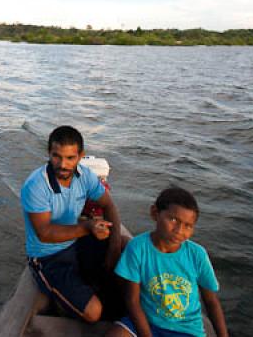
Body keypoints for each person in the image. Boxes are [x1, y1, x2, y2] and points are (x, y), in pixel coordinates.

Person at [21, 125, 124, 323]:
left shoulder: (85, 176)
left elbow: (109, 205)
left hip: (76, 243)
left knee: (126, 244)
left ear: (80, 156)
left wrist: (114, 247)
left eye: (70, 158)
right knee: (94, 312)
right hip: (47, 257)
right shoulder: (36, 185)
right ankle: (62, 300)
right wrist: (88, 227)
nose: (63, 164)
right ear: (49, 153)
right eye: (57, 156)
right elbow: (44, 233)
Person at [107, 187, 229, 337]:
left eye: (188, 226)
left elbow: (211, 302)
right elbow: (132, 300)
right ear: (155, 213)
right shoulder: (138, 248)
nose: (179, 230)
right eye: (173, 220)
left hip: (186, 330)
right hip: (147, 321)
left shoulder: (197, 254)